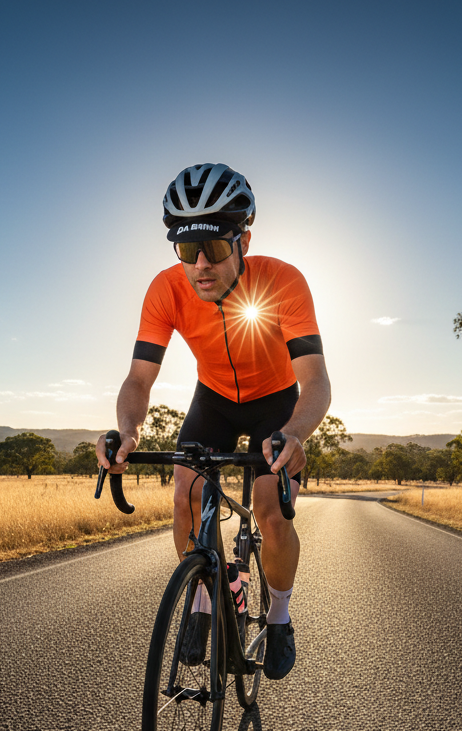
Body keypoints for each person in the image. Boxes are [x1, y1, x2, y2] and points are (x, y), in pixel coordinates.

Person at [97, 162, 331, 679]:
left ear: (244, 239)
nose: (200, 265)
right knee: (185, 494)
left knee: (270, 512)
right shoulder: (165, 290)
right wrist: (128, 432)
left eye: (215, 248)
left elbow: (315, 381)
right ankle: (203, 597)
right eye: (186, 250)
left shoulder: (283, 281)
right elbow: (138, 380)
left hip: (276, 404)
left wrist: (294, 434)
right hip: (214, 400)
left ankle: (278, 616)